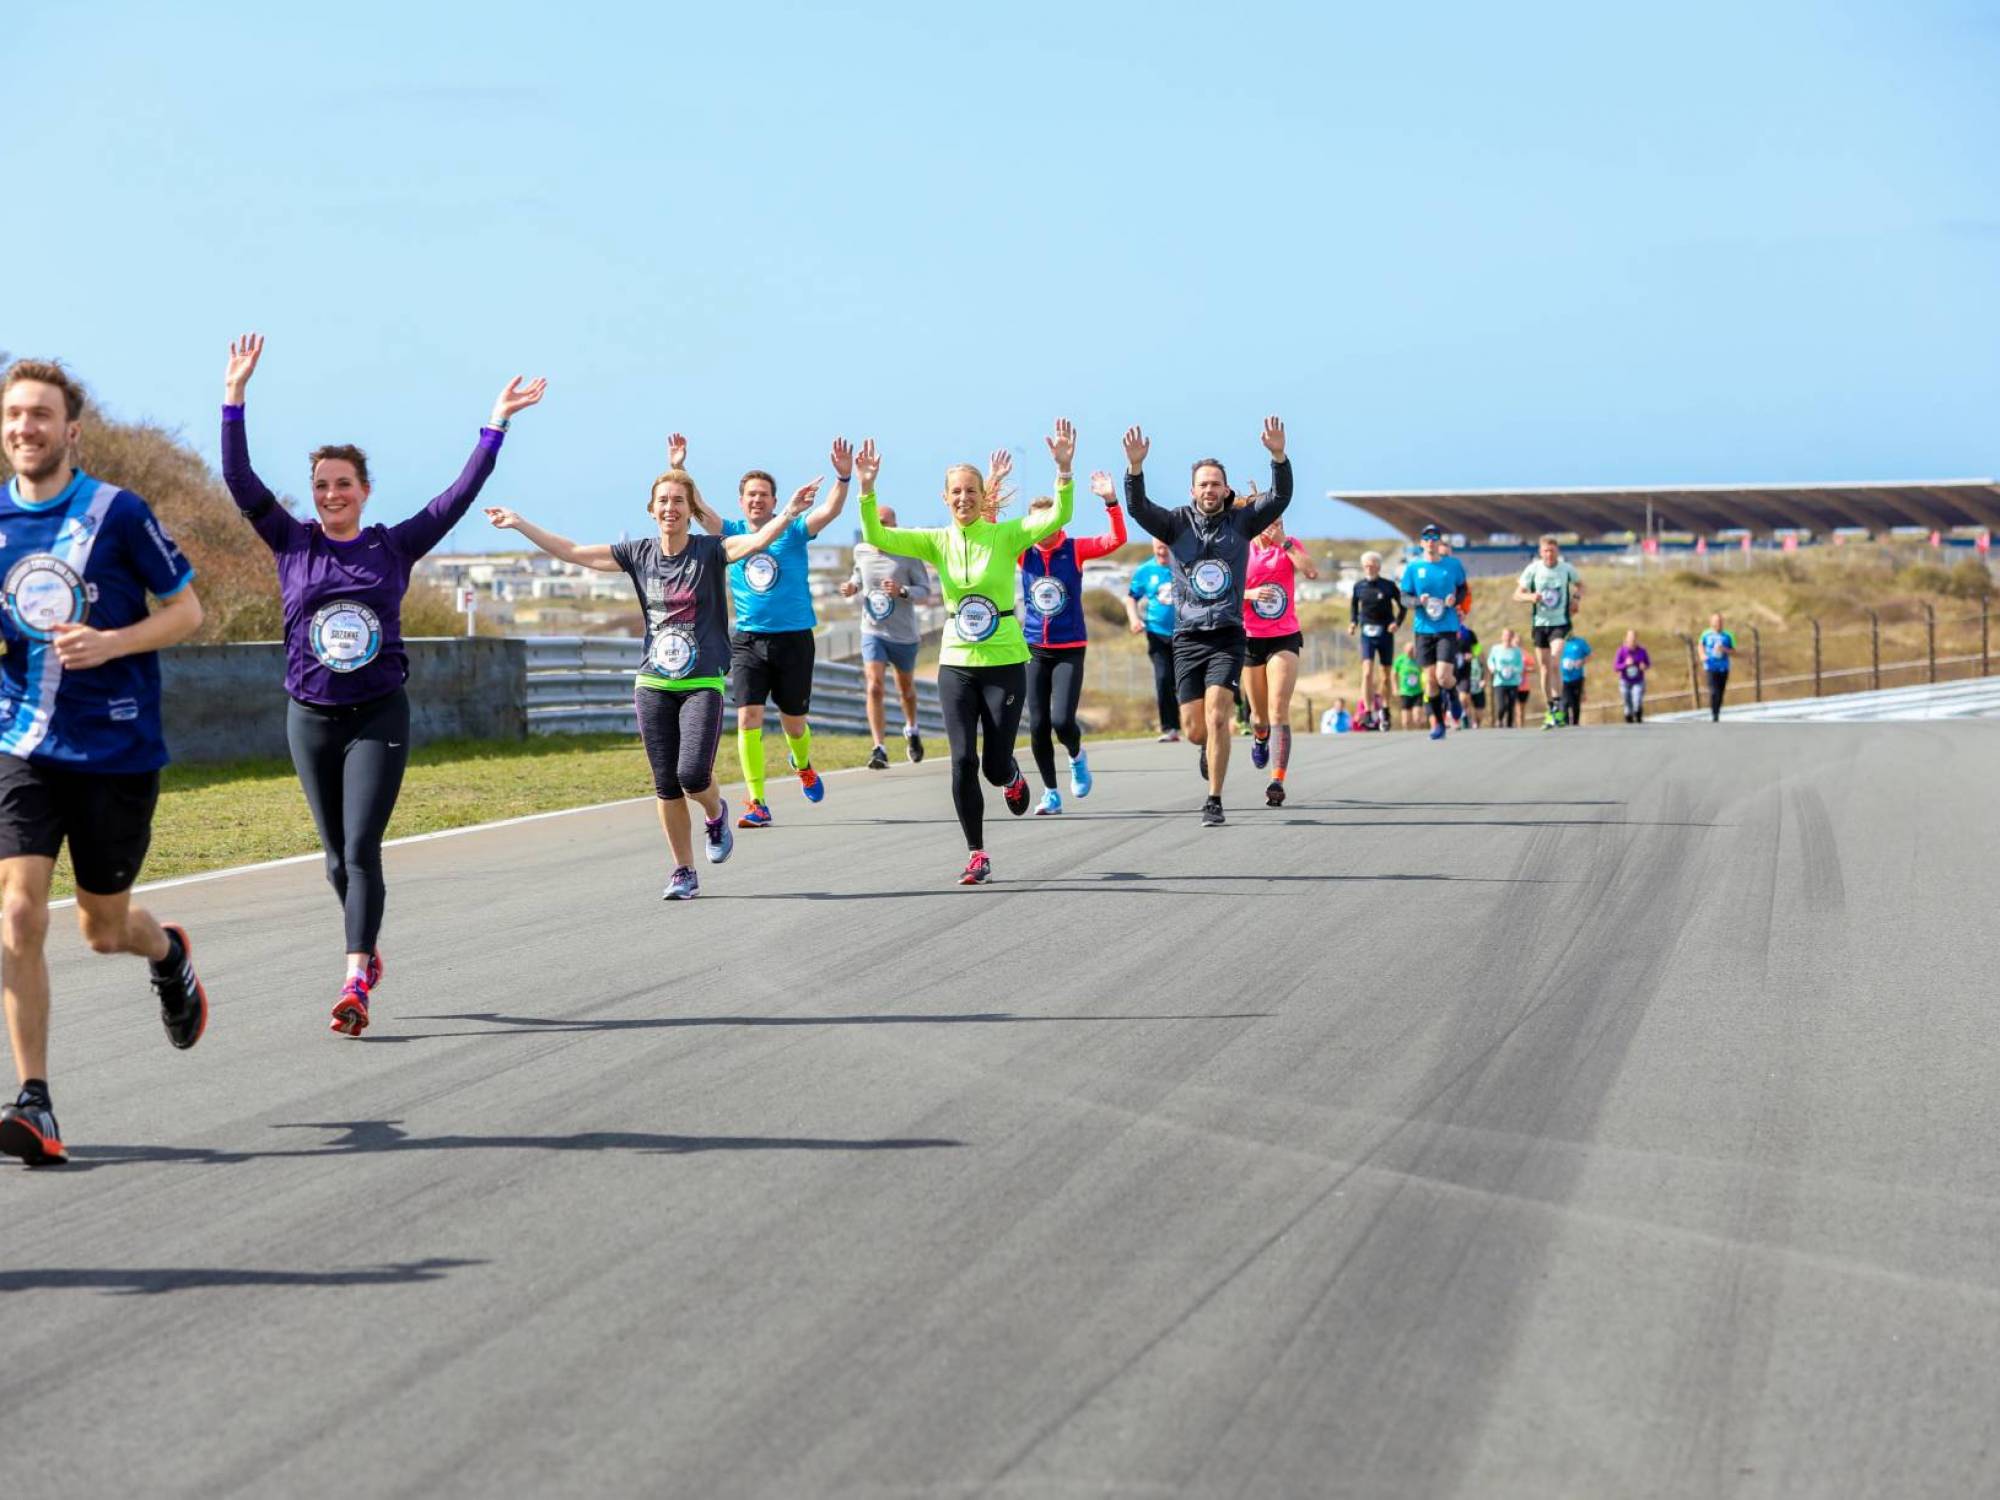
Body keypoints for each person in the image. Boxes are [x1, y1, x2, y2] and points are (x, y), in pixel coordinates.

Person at [219, 334, 544, 1037]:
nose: (331, 494)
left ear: (364, 491)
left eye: (343, 484)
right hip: (309, 715)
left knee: (362, 849)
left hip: (377, 715)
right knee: (335, 859)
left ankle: (354, 979)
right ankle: (366, 947)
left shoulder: (392, 546)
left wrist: (496, 423)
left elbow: (458, 497)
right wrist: (235, 397)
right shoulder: (292, 542)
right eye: (321, 485)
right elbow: (239, 480)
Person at [0, 359, 209, 1165]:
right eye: (15, 415)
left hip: (115, 751)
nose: (26, 427)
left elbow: (187, 611)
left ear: (71, 430)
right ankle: (35, 1101)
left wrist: (112, 642)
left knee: (103, 928)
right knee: (18, 914)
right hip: (20, 745)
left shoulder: (117, 513)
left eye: (41, 415)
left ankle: (168, 954)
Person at [486, 469, 816, 900]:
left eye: (678, 501)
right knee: (666, 783)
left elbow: (755, 542)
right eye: (663, 501)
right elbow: (573, 552)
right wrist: (519, 523)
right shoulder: (638, 554)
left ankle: (715, 813)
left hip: (701, 681)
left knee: (692, 775)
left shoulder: (711, 550)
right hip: (654, 681)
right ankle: (684, 871)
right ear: (651, 509)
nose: (670, 508)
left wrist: (788, 512)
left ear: (690, 510)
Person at [857, 422, 1075, 884]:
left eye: (971, 491)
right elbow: (876, 531)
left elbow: (1059, 515)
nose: (963, 498)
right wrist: (867, 489)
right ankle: (977, 853)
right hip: (956, 663)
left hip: (1004, 661)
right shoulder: (935, 541)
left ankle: (1011, 777)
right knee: (962, 761)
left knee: (994, 765)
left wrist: (1063, 470)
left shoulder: (1006, 535)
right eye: (955, 491)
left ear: (983, 496)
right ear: (945, 497)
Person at [668, 435, 850, 829]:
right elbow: (696, 509)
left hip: (795, 638)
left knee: (794, 723)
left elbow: (831, 510)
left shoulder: (794, 529)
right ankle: (757, 802)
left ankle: (802, 763)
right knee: (748, 718)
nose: (757, 500)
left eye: (764, 495)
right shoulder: (731, 531)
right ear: (741, 501)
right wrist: (679, 468)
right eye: (751, 495)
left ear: (774, 500)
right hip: (748, 640)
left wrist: (843, 478)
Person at [1122, 417, 1292, 826]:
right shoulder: (1175, 523)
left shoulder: (1242, 522)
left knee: (1218, 716)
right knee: (1196, 729)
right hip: (1187, 637)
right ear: (1192, 490)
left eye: (1216, 484)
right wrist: (1135, 469)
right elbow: (1138, 508)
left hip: (1228, 635)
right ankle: (1205, 746)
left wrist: (1278, 457)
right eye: (1203, 484)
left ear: (1226, 490)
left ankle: (1213, 799)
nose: (1210, 490)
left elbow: (1280, 497)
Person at [1014, 471, 1126, 815]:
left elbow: (1116, 539)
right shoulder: (1022, 553)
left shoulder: (1074, 549)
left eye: (1046, 521)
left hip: (1069, 648)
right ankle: (1051, 793)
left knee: (1062, 722)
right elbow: (988, 537)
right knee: (1037, 726)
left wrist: (1111, 501)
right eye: (1034, 523)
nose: (1041, 529)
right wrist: (991, 494)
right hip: (1033, 647)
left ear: (1058, 521)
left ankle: (1077, 756)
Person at [839, 512, 930, 769]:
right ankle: (879, 748)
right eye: (873, 523)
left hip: (903, 635)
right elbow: (858, 576)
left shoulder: (908, 553)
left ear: (895, 526)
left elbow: (925, 591)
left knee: (906, 691)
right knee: (874, 687)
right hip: (873, 630)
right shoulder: (861, 551)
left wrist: (902, 590)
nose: (878, 528)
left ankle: (912, 728)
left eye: (884, 524)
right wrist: (852, 586)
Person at [1243, 519, 1317, 805]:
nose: (1273, 526)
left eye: (1279, 521)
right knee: (1259, 718)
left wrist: (1284, 543)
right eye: (1268, 521)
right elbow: (1223, 590)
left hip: (1284, 636)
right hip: (1250, 637)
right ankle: (1260, 737)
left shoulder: (1289, 545)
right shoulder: (1242, 547)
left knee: (1278, 709)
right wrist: (1249, 594)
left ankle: (1277, 780)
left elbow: (1311, 572)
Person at [1397, 524, 1471, 741]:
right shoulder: (1413, 567)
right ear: (1421, 543)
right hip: (1423, 630)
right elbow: (1404, 597)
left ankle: (1453, 695)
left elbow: (1463, 589)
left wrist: (1455, 600)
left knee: (1443, 676)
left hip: (1447, 627)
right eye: (1426, 538)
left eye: (1434, 537)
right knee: (1430, 681)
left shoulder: (1453, 565)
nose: (1430, 541)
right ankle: (1438, 723)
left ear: (1439, 542)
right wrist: (1417, 602)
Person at [1513, 535, 1584, 728]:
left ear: (1557, 551)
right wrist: (1530, 597)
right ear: (1540, 552)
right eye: (1545, 551)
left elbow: (1580, 584)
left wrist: (1576, 599)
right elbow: (1517, 594)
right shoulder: (1533, 569)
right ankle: (1551, 707)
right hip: (1540, 624)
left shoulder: (1566, 569)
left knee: (1554, 662)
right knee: (1544, 668)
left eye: (1552, 551)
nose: (1549, 554)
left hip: (1560, 623)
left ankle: (1559, 704)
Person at [1124, 539, 1180, 741]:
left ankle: (1195, 723)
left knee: (1184, 681)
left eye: (1166, 548)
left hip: (1185, 634)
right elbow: (1131, 598)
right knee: (1163, 679)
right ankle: (1170, 728)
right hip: (1157, 633)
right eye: (1158, 549)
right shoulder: (1145, 570)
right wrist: (1134, 619)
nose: (1162, 552)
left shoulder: (1184, 565)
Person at [1347, 550, 1405, 730]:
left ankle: (1385, 710)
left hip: (1385, 633)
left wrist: (1396, 623)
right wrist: (1353, 623)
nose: (1369, 569)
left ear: (1378, 567)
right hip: (1367, 633)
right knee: (1366, 672)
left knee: (1385, 675)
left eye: (1372, 566)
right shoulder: (1358, 586)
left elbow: (1402, 606)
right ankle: (1368, 711)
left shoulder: (1388, 586)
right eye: (1366, 566)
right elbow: (1354, 607)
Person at [1487, 628, 1527, 727]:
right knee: (1502, 705)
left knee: (1511, 705)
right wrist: (1493, 668)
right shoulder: (1496, 649)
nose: (1507, 638)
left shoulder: (1517, 651)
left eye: (1509, 635)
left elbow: (1520, 665)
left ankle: (1509, 725)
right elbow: (1490, 660)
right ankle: (1500, 719)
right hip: (1499, 682)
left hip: (1513, 682)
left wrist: (1514, 669)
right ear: (1502, 637)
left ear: (1512, 637)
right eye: (1505, 635)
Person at [1700, 613, 1735, 721]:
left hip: (1723, 667)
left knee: (1720, 691)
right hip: (1710, 666)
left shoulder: (1728, 635)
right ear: (1711, 622)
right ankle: (1714, 713)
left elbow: (1733, 651)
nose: (1718, 623)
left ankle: (1717, 710)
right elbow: (1700, 646)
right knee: (1713, 691)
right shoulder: (1706, 634)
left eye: (1720, 621)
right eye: (1716, 621)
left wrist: (1724, 649)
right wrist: (1702, 655)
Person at [1615, 630, 1652, 722]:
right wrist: (1625, 664)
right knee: (1627, 700)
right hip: (1625, 681)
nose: (1632, 640)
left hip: (1638, 681)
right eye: (1630, 638)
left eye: (1634, 638)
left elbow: (1648, 663)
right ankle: (1629, 715)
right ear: (1626, 639)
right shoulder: (1621, 651)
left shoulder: (1642, 651)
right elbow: (1616, 667)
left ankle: (1638, 713)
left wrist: (1644, 666)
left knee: (1637, 698)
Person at [1557, 633, 1593, 725]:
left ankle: (1575, 724)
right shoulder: (1559, 643)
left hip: (1577, 677)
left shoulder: (1580, 642)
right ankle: (1566, 724)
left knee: (1575, 703)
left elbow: (1590, 655)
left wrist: (1582, 661)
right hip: (1563, 679)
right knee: (1565, 702)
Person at [1392, 646, 1424, 729]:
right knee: (1406, 721)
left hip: (1417, 691)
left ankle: (1419, 733)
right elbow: (1393, 675)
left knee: (1417, 717)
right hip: (1405, 692)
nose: (1410, 652)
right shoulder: (1400, 660)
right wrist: (1395, 688)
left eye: (1412, 650)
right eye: (1408, 651)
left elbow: (1424, 672)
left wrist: (1425, 686)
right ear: (1404, 650)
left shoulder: (1418, 659)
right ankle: (1406, 733)